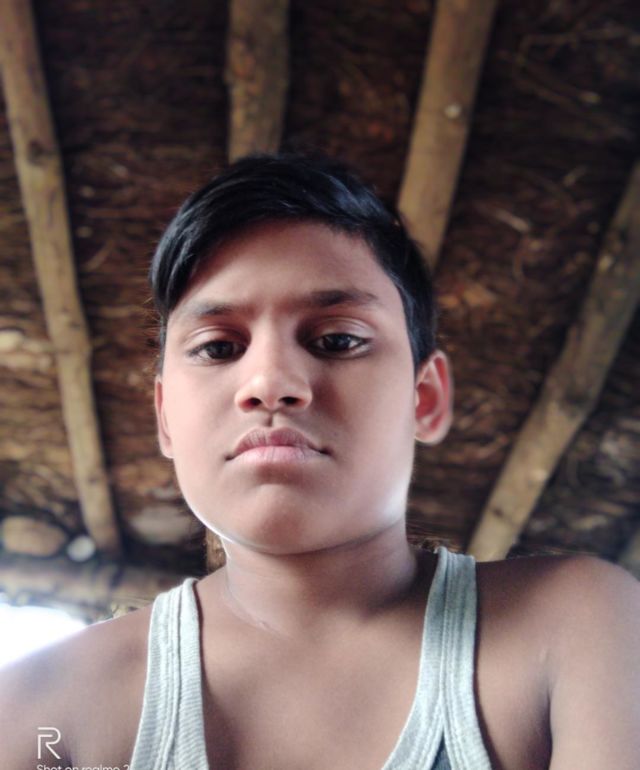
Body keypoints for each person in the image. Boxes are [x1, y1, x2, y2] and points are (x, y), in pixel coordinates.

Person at [1, 152, 639, 770]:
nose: (270, 382)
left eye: (337, 339)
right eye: (219, 347)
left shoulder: (578, 628)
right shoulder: (41, 714)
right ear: (166, 416)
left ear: (424, 398)